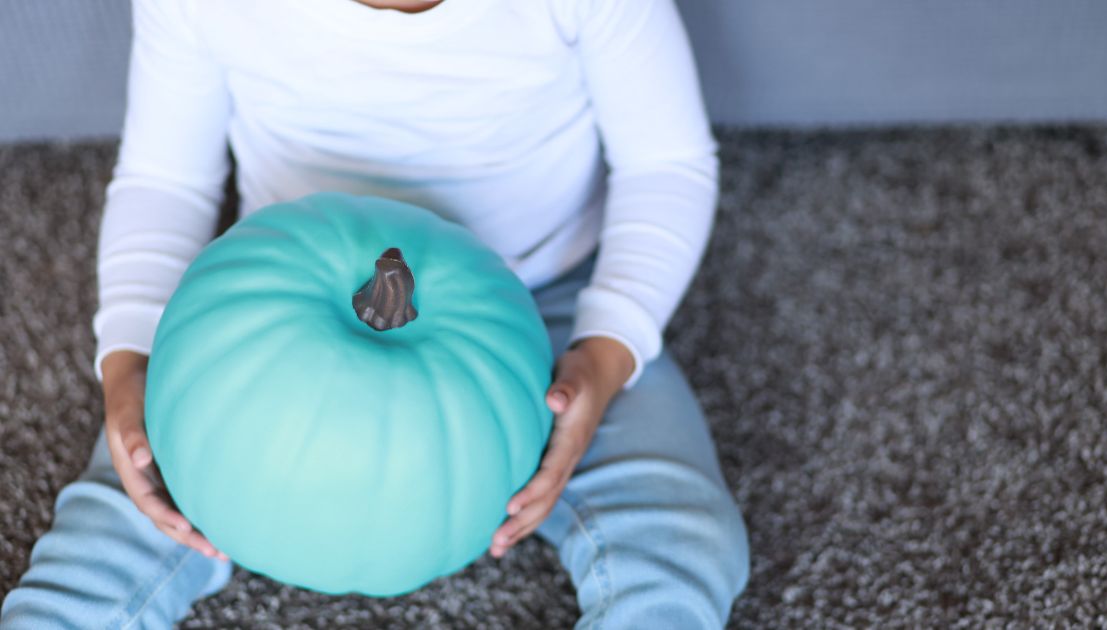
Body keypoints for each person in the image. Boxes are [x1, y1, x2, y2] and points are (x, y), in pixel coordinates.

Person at [0, 0, 750, 626]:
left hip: (545, 307)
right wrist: (130, 359)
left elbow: (667, 164)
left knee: (677, 539)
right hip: (261, 318)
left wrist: (609, 348)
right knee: (122, 518)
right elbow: (165, 179)